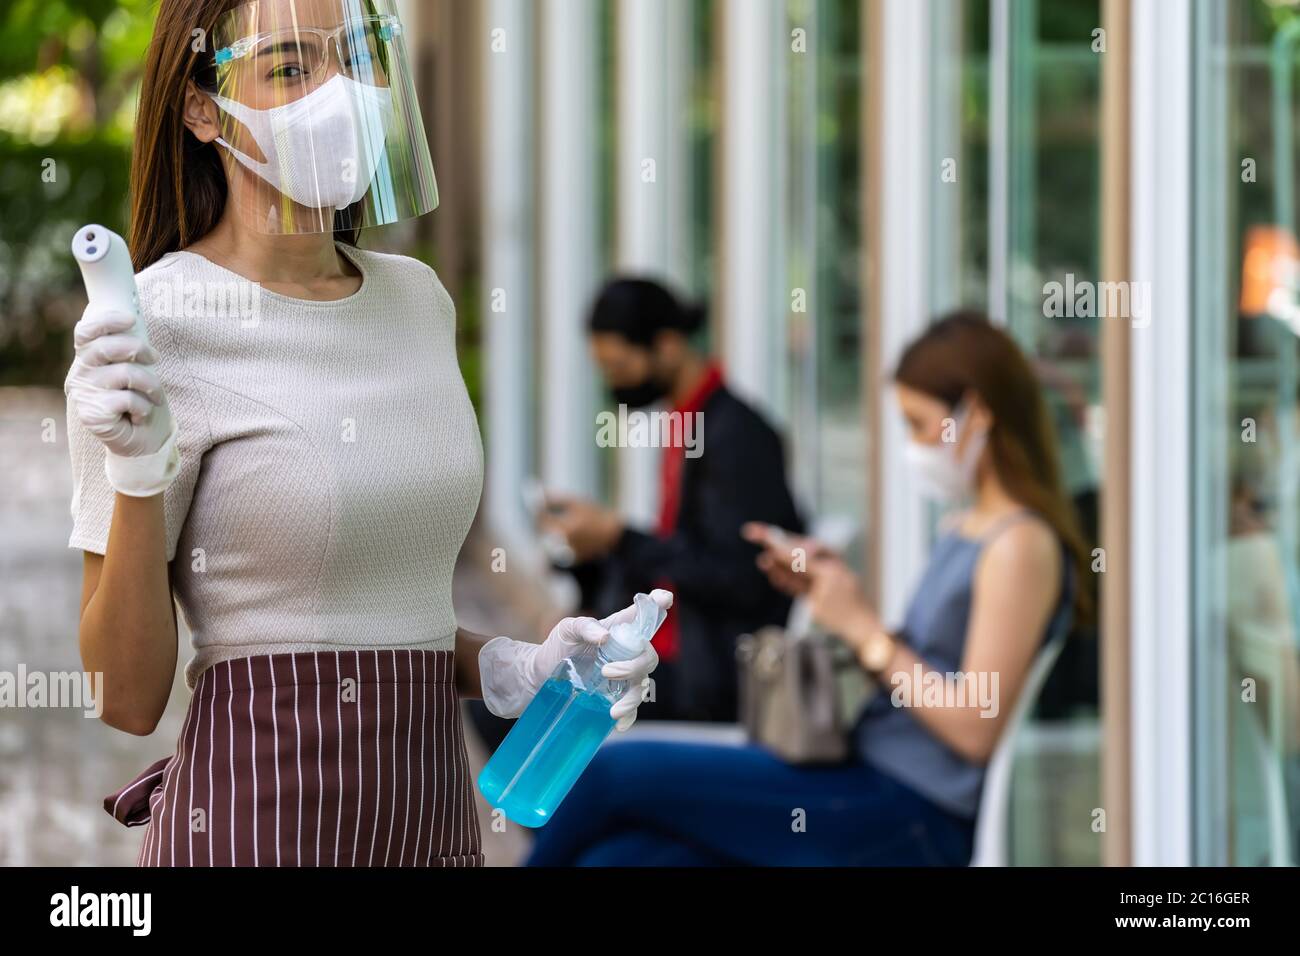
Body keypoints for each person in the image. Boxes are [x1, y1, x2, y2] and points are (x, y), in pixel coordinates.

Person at [65, 0, 663, 868]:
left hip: (431, 824)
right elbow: (124, 698)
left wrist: (515, 666)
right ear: (200, 108)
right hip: (256, 828)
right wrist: (134, 478)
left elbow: (374, 613)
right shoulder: (148, 327)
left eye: (356, 57)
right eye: (290, 66)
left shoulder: (416, 299)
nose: (338, 94)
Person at [525, 311, 1089, 866]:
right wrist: (837, 596)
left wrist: (864, 631)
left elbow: (974, 726)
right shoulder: (965, 526)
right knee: (623, 858)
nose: (914, 448)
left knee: (610, 774)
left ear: (978, 416)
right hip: (861, 779)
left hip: (907, 810)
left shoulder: (1019, 545)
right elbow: (921, 667)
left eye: (920, 425)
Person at [539, 278, 803, 723]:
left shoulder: (735, 436)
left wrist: (618, 536)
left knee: (519, 709)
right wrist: (593, 550)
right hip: (677, 655)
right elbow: (682, 553)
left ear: (667, 345)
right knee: (541, 684)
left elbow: (737, 576)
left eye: (619, 364)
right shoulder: (691, 421)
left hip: (709, 680)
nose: (612, 380)